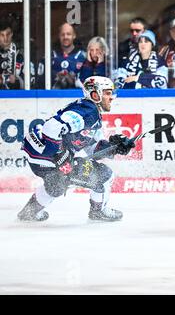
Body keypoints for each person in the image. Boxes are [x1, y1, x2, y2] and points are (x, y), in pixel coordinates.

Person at [18, 76, 136, 222]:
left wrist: (114, 148)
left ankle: (28, 213)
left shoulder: (89, 112)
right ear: (95, 94)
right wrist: (60, 155)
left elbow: (92, 148)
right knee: (104, 175)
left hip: (37, 155)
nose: (111, 97)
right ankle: (98, 212)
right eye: (107, 93)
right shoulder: (88, 111)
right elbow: (51, 127)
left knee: (57, 183)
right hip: (47, 154)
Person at [49, 23, 86, 89]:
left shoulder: (83, 57)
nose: (65, 37)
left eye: (68, 34)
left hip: (77, 96)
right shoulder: (50, 56)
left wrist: (74, 80)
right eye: (63, 34)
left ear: (74, 36)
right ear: (59, 36)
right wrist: (55, 76)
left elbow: (88, 81)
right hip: (54, 97)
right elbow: (41, 82)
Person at [0, 18, 27, 89]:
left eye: (8, 34)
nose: (5, 38)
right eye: (2, 35)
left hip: (16, 98)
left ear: (12, 34)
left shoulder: (21, 55)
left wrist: (17, 81)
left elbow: (30, 82)